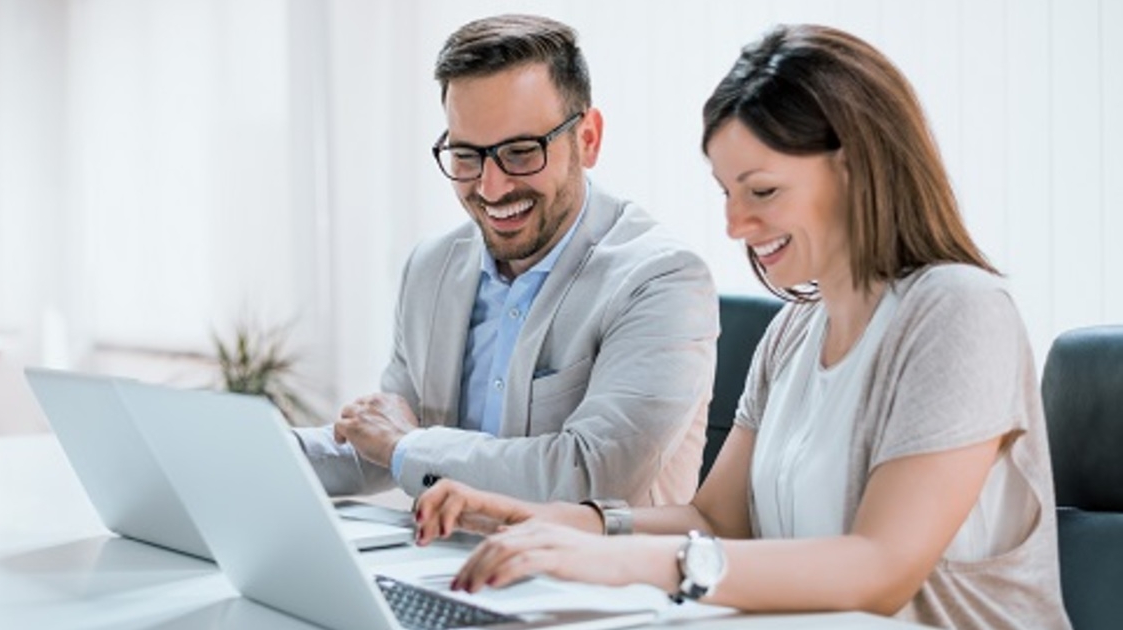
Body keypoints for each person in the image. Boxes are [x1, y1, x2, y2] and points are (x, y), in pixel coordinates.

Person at [412, 23, 1071, 629]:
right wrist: (558, 521)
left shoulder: (957, 311)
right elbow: (715, 518)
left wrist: (621, 562)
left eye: (761, 192)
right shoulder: (794, 333)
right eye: (726, 193)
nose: (734, 226)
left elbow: (879, 570)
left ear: (859, 169)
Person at [293, 14, 718, 506]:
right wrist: (259, 452)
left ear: (588, 139)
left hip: (591, 577)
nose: (491, 188)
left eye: (520, 152)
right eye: (467, 156)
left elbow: (592, 479)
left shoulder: (661, 280)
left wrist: (406, 445)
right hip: (445, 568)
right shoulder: (431, 267)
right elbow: (381, 443)